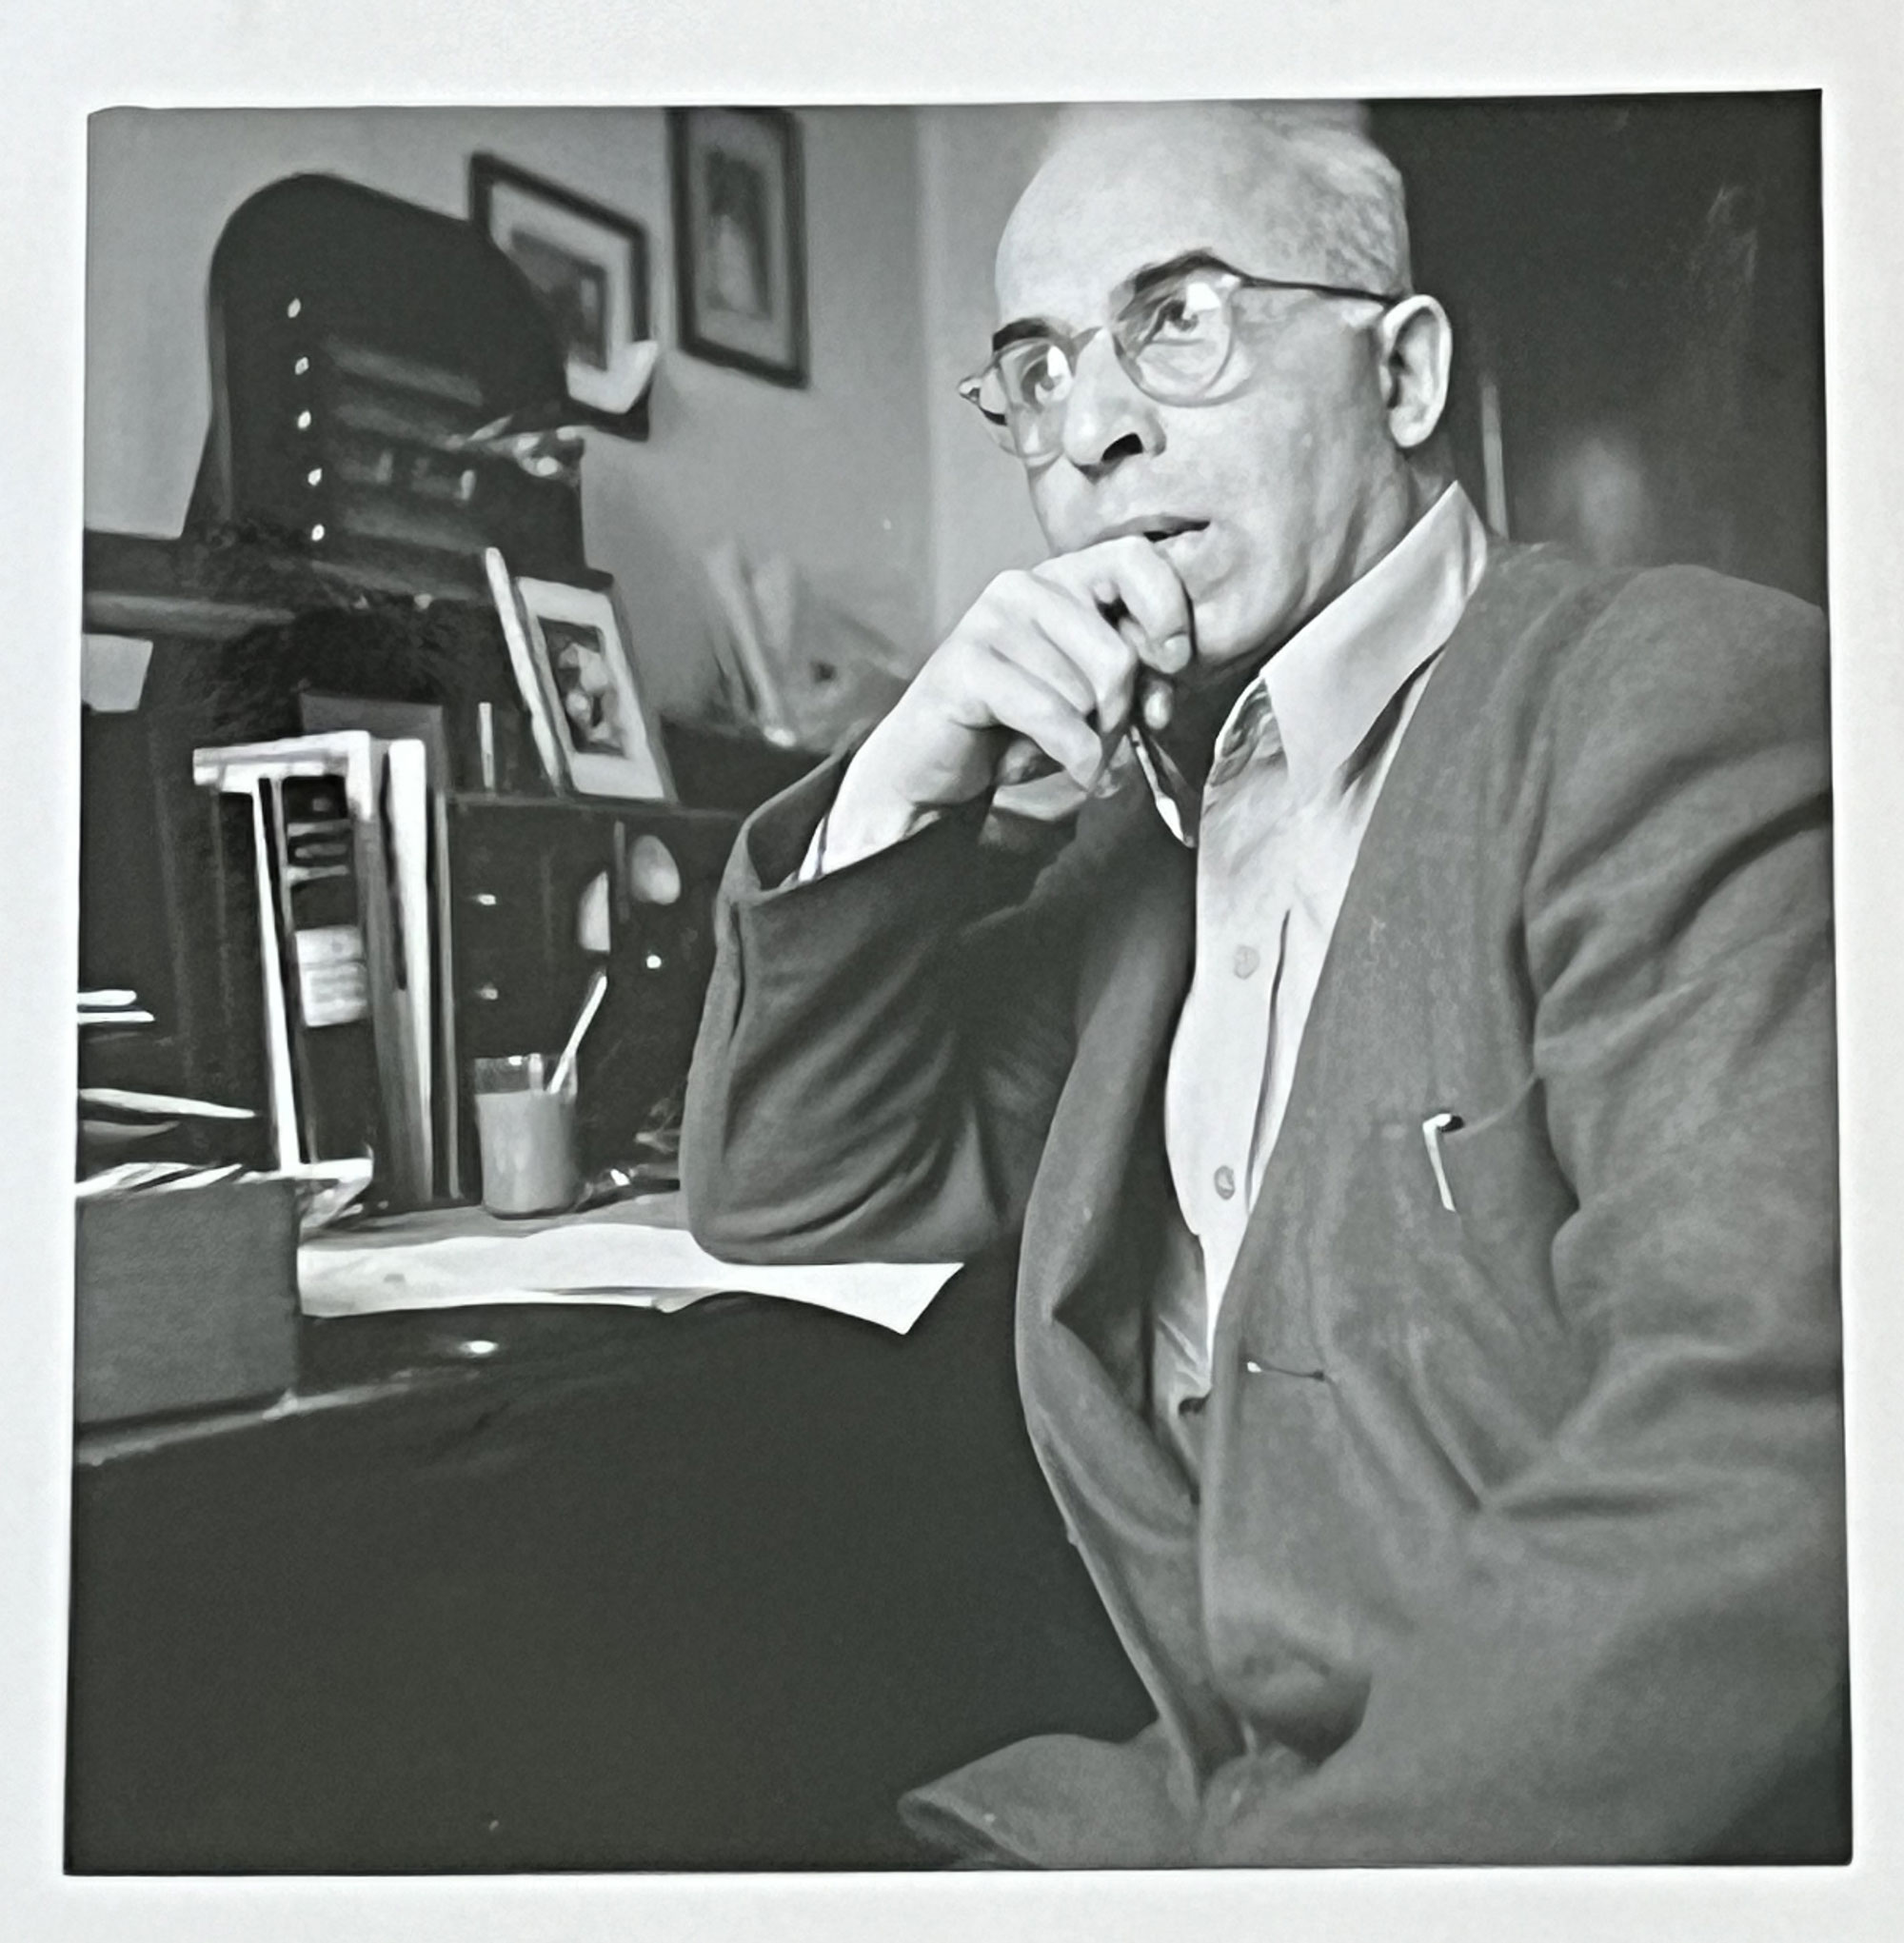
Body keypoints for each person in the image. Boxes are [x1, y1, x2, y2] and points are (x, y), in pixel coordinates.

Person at [681, 101, 1845, 1867]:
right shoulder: (1141, 848)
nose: (1095, 429)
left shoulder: (1663, 700)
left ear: (1404, 376)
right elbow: (792, 1186)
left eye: (1178, 318)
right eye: (1039, 368)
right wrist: (901, 777)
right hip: (1187, 1810)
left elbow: (1772, 1454)